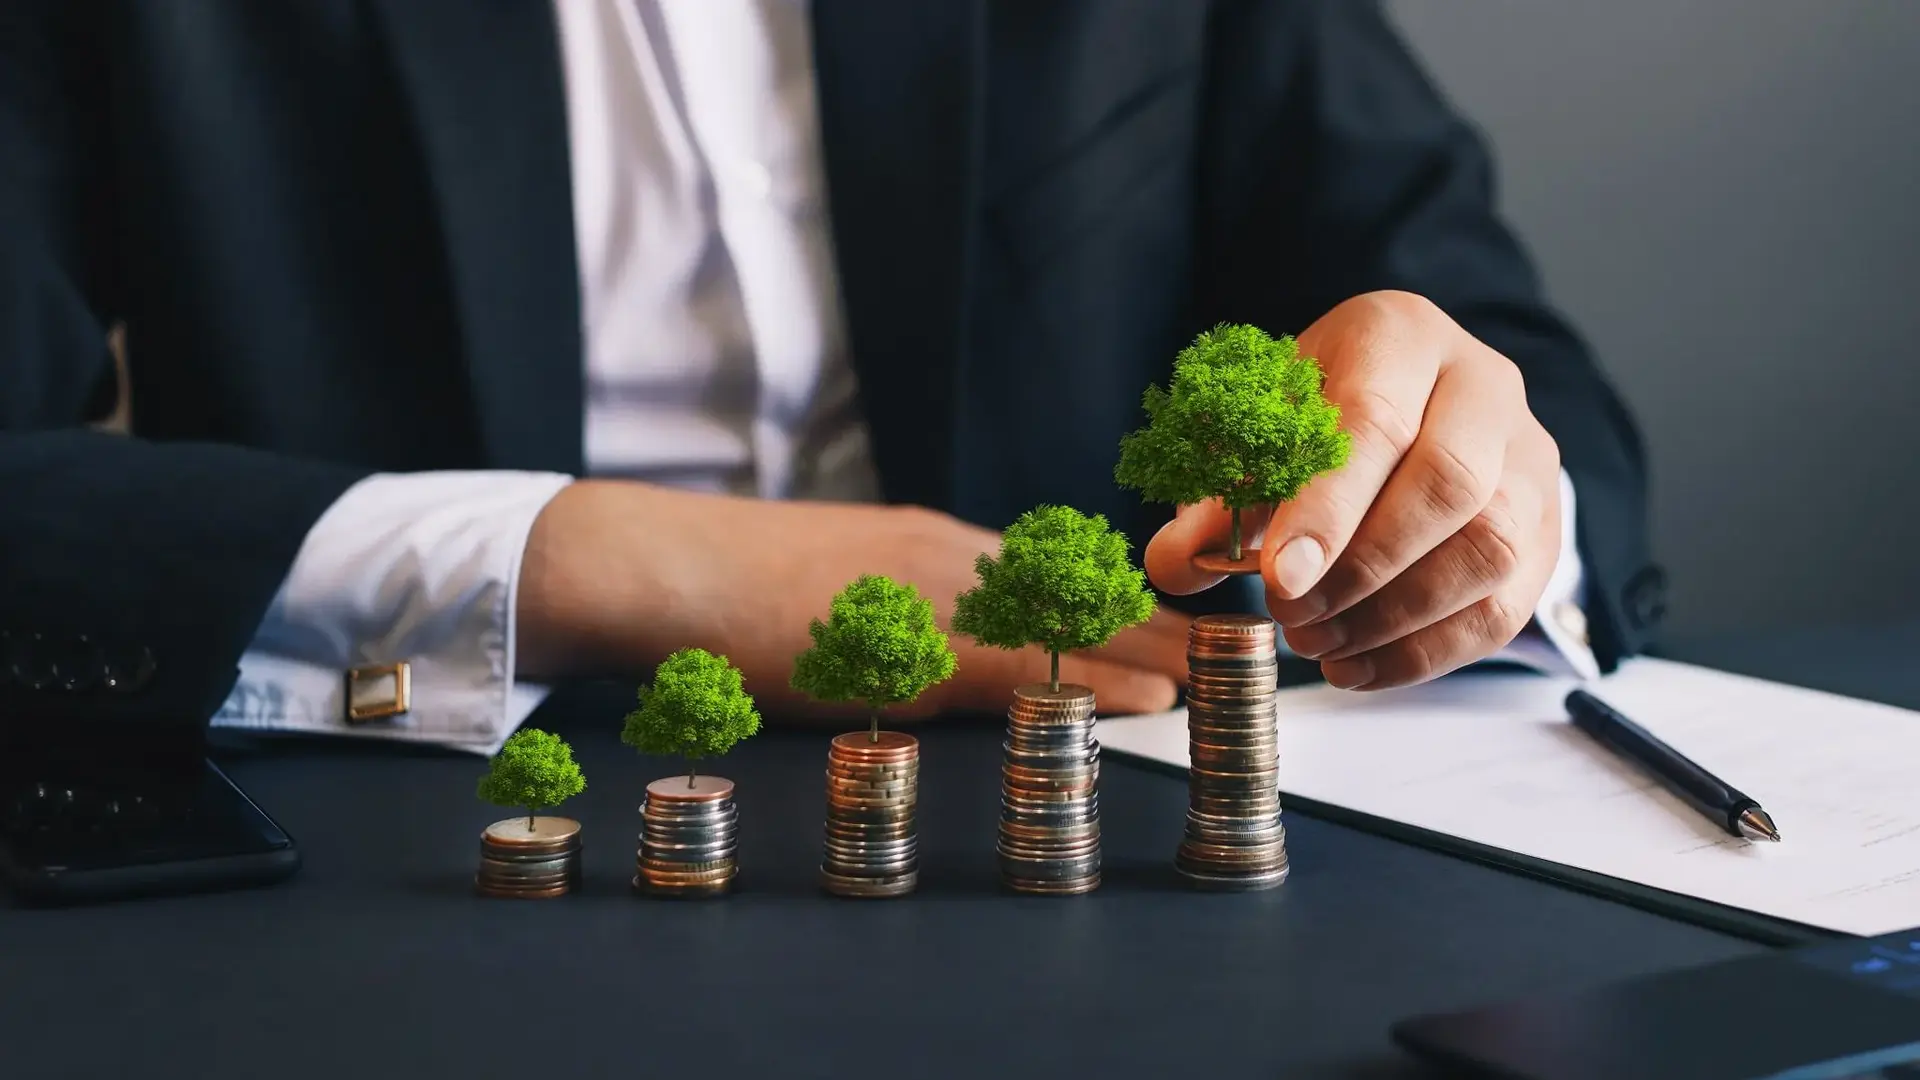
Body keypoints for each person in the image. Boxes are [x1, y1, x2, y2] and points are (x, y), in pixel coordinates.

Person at [0, 0, 1665, 754]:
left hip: (1113, 817)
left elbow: (1510, 368)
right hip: (446, 836)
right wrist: (606, 564)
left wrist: (1473, 483)